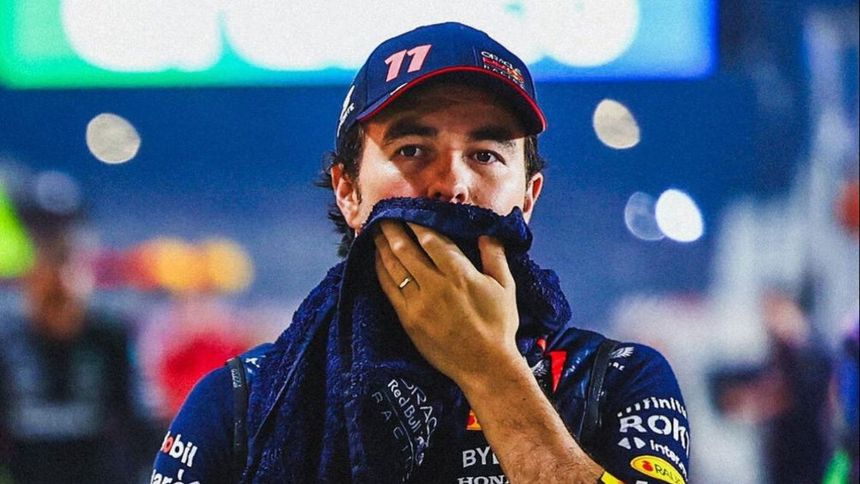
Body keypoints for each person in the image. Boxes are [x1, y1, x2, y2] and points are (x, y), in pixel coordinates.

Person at [153, 22, 690, 484]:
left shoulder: (615, 379)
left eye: (485, 155)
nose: (451, 185)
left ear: (528, 198)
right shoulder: (245, 401)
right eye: (412, 150)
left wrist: (490, 371)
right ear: (348, 191)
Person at [0, 173, 152, 483]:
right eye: (42, 236)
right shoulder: (8, 334)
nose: (52, 248)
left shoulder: (109, 333)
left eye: (63, 235)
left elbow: (135, 423)